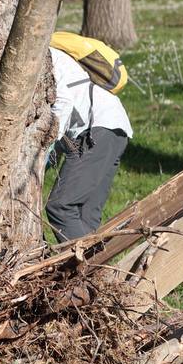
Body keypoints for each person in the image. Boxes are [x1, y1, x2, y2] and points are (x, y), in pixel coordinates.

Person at [44, 44, 133, 242]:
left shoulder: (48, 57)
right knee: (85, 215)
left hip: (97, 130)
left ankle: (87, 270)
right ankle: (97, 268)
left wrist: (46, 145)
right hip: (114, 129)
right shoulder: (59, 56)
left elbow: (64, 102)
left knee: (60, 206)